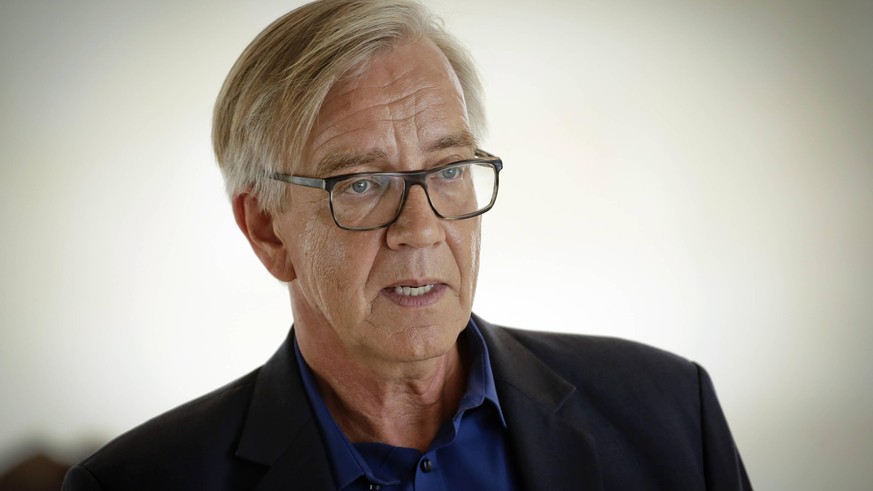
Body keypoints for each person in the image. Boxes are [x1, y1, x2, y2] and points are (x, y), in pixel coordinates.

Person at [63, 0, 751, 489]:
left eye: (448, 170)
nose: (419, 228)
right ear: (267, 230)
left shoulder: (668, 412)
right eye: (361, 183)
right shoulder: (138, 480)